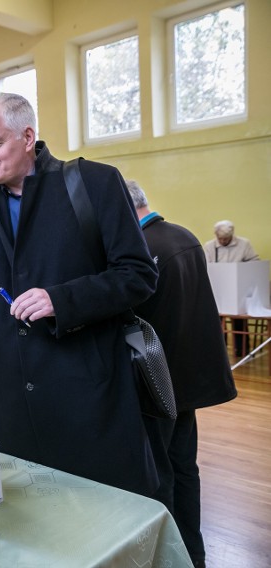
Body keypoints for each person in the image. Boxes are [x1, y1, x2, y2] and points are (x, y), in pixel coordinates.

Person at [0, 92, 159, 496]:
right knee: (27, 511)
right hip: (11, 395)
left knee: (99, 509)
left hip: (86, 389)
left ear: (27, 137)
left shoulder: (93, 183)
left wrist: (61, 300)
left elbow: (138, 275)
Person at [128, 180, 237, 568]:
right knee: (184, 468)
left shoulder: (143, 248)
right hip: (187, 379)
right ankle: (193, 553)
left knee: (160, 475)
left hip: (158, 382)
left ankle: (169, 556)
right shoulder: (182, 235)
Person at [202, 219, 260, 357]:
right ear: (215, 235)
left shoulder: (244, 244)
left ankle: (242, 351)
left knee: (238, 319)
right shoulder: (209, 246)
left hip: (238, 289)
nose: (223, 241)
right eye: (220, 238)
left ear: (232, 235)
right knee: (217, 322)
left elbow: (254, 262)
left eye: (226, 239)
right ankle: (220, 352)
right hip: (218, 290)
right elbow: (205, 266)